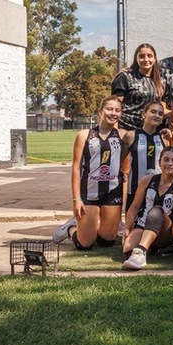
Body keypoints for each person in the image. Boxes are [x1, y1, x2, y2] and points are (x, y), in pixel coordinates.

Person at [52, 96, 131, 250]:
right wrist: (76, 199)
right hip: (89, 191)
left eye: (117, 110)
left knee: (106, 242)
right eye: (109, 109)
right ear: (100, 111)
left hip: (112, 192)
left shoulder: (124, 136)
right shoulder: (84, 135)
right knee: (84, 245)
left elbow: (125, 164)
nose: (113, 113)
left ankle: (97, 228)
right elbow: (76, 168)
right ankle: (70, 228)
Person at [122, 147, 173, 270]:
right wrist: (127, 228)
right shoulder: (147, 180)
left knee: (156, 211)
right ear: (159, 163)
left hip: (164, 231)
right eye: (166, 160)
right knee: (127, 250)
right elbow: (134, 207)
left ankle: (141, 252)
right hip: (143, 225)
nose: (169, 164)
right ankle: (150, 247)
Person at [121, 101, 166, 212]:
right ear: (143, 114)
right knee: (132, 224)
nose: (157, 115)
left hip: (157, 190)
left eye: (160, 114)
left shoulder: (164, 139)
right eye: (153, 112)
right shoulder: (131, 135)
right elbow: (119, 160)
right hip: (134, 189)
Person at [111, 43, 164, 131]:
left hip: (149, 133)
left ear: (155, 59)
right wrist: (115, 132)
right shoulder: (125, 77)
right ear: (136, 58)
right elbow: (115, 107)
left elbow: (162, 110)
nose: (146, 59)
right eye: (142, 56)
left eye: (149, 56)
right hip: (126, 130)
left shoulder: (161, 82)